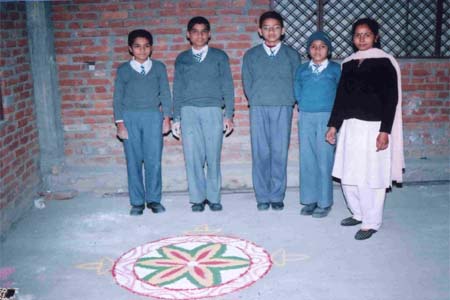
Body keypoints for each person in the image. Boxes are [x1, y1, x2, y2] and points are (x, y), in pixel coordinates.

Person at [325, 18, 404, 240]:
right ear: (352, 38)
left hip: (374, 128)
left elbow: (391, 99)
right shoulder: (348, 63)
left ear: (376, 37)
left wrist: (385, 130)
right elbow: (340, 98)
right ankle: (358, 213)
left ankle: (371, 222)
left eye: (366, 34)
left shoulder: (385, 62)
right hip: (350, 127)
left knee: (371, 176)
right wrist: (333, 125)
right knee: (348, 173)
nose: (361, 39)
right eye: (357, 35)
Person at [172, 16, 234, 212]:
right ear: (188, 35)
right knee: (193, 156)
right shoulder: (182, 59)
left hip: (213, 111)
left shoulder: (219, 57)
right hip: (188, 111)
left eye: (203, 31)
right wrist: (176, 117)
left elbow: (228, 86)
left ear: (209, 35)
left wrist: (229, 114)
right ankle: (197, 198)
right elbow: (178, 89)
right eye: (195, 32)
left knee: (213, 155)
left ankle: (214, 197)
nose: (199, 35)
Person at [242, 11, 301, 211]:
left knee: (279, 151)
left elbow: (297, 81)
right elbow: (247, 82)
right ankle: (262, 195)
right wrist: (256, 99)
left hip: (283, 106)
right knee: (261, 152)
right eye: (266, 28)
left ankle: (277, 195)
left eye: (276, 27)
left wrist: (289, 100)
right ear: (260, 31)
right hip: (259, 106)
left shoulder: (291, 55)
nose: (271, 31)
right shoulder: (251, 55)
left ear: (282, 30)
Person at [113, 29, 172, 216]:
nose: (142, 50)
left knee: (153, 160)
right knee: (134, 161)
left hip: (153, 117)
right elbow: (117, 98)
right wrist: (120, 123)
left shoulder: (159, 68)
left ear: (151, 48)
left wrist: (167, 118)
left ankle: (154, 200)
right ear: (130, 48)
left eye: (146, 46)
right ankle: (137, 202)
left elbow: (165, 94)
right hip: (130, 118)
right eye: (137, 46)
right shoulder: (123, 70)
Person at [294, 31, 341, 218]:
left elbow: (341, 94)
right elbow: (297, 89)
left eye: (322, 47)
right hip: (306, 116)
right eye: (313, 47)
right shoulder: (302, 70)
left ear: (328, 50)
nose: (317, 50)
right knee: (307, 159)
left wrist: (335, 122)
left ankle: (324, 201)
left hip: (327, 118)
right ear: (308, 50)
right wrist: (303, 104)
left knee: (324, 159)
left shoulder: (335, 70)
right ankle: (310, 199)